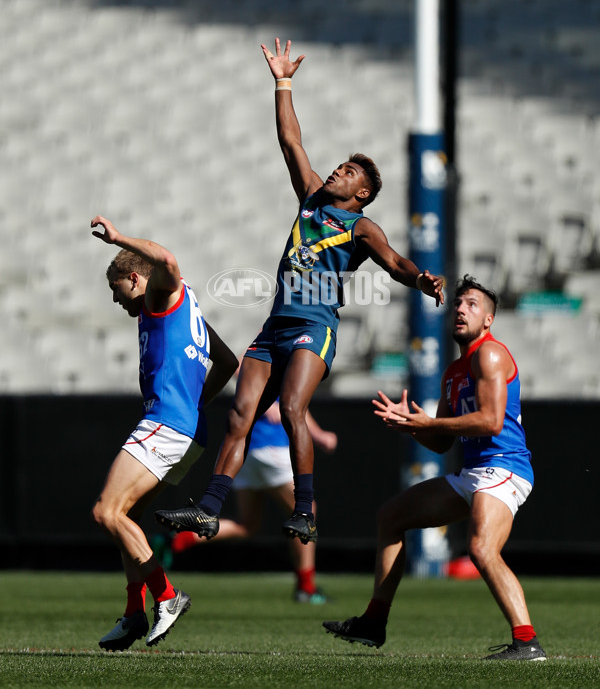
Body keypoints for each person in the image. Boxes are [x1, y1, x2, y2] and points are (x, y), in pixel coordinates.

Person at [155, 37, 445, 546]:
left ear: (362, 194)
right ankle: (209, 507)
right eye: (341, 165)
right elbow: (291, 140)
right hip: (274, 329)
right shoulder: (310, 198)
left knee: (292, 410)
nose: (338, 170)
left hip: (315, 327)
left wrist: (421, 279)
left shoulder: (361, 228)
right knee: (240, 415)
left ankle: (306, 510)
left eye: (349, 172)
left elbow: (396, 262)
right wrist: (283, 82)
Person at [323, 276, 547, 661]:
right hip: (475, 472)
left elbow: (492, 422)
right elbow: (442, 441)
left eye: (472, 304)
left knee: (480, 548)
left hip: (504, 467)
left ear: (489, 319)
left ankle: (527, 642)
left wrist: (428, 423)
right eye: (459, 303)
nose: (461, 309)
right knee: (391, 516)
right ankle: (374, 622)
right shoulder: (453, 372)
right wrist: (412, 426)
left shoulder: (489, 355)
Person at [90, 215, 238, 651]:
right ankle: (134, 614)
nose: (117, 302)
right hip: (190, 428)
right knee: (126, 517)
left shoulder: (161, 293)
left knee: (106, 512)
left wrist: (117, 238)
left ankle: (167, 597)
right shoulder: (186, 306)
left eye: (118, 291)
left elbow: (168, 260)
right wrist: (195, 403)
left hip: (166, 423)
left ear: (135, 278)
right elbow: (226, 362)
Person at [165, 399, 338, 603]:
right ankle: (306, 587)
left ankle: (178, 539)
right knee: (305, 512)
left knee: (247, 525)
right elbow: (293, 400)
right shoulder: (275, 369)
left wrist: (316, 434)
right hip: (270, 447)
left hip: (243, 452)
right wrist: (316, 434)